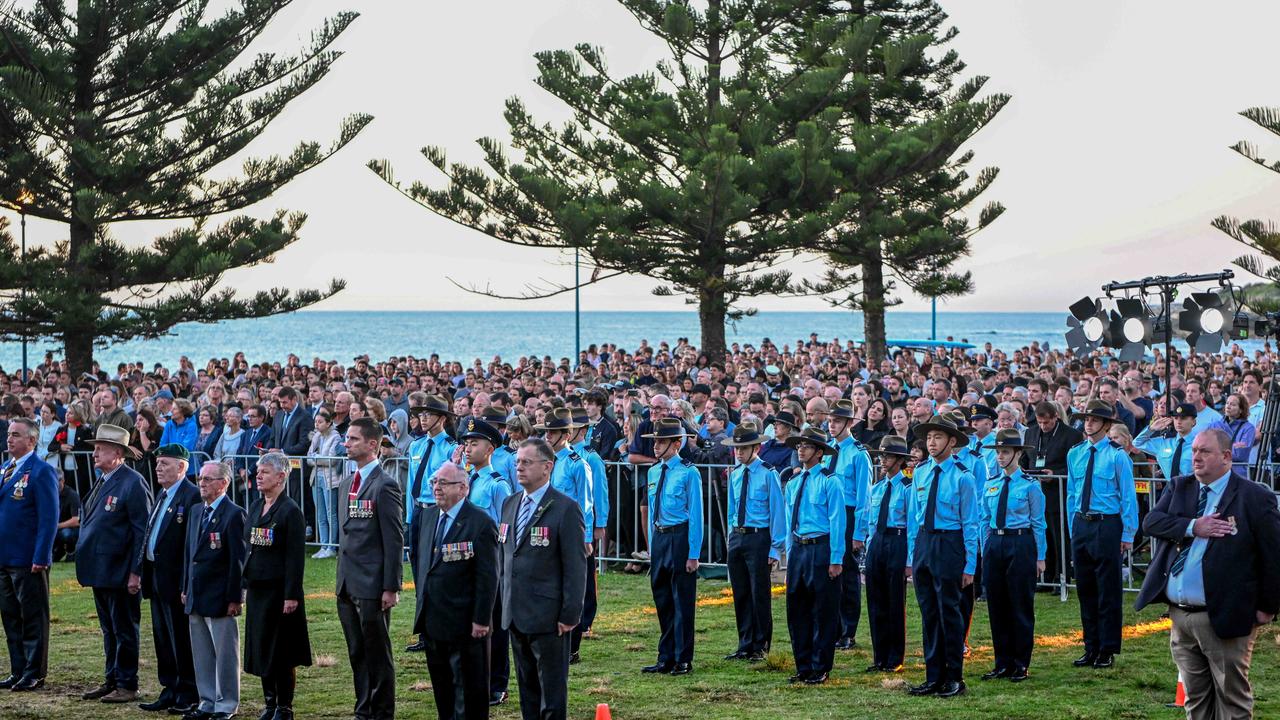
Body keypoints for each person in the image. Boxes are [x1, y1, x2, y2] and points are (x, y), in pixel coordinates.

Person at [1135, 429, 1280, 720]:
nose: (1196, 457)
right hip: (1180, 615)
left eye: (1205, 451)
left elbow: (1273, 555)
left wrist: (1268, 607)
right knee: (1195, 699)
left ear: (1226, 457)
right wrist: (1192, 526)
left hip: (1225, 614)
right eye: (1194, 451)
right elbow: (1152, 522)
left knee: (1232, 700)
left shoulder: (1253, 496)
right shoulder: (1180, 486)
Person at [498, 438, 587, 720]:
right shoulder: (510, 503)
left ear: (547, 467)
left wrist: (571, 613)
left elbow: (575, 566)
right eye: (517, 463)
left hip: (549, 615)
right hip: (515, 611)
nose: (519, 468)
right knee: (527, 690)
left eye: (526, 462)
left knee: (551, 691)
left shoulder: (565, 508)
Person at [413, 461, 498, 720]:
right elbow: (422, 565)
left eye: (443, 483)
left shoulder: (480, 522)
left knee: (469, 693)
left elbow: (488, 576)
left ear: (463, 488)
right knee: (443, 690)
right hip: (433, 620)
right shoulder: (427, 517)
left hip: (465, 623)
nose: (436, 488)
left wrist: (481, 619)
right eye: (434, 482)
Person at [76, 424, 152, 704]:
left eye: (100, 448)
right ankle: (112, 679)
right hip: (101, 570)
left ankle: (127, 683)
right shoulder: (104, 479)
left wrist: (136, 571)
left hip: (121, 571)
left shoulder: (132, 482)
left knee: (124, 628)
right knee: (109, 629)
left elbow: (141, 530)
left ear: (118, 453)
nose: (94, 453)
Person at [336, 418, 404, 720]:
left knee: (377, 654)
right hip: (347, 583)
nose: (346, 443)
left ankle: (381, 712)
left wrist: (391, 586)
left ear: (372, 444)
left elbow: (393, 540)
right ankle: (363, 709)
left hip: (372, 584)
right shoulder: (346, 483)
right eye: (346, 438)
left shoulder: (385, 485)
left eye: (352, 439)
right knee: (356, 652)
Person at [906, 413, 978, 698]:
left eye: (938, 437)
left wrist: (970, 563)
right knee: (929, 612)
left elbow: (971, 523)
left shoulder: (963, 477)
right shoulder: (921, 472)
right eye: (929, 437)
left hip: (950, 543)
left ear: (951, 442)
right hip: (925, 542)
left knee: (949, 611)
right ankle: (933, 675)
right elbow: (915, 517)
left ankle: (954, 676)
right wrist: (912, 557)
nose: (931, 443)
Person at [1065, 400, 1138, 669]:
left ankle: (1107, 648)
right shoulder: (1075, 454)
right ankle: (1090, 646)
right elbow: (1072, 493)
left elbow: (1127, 497)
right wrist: (1072, 526)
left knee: (1107, 589)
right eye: (1086, 420)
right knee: (1085, 588)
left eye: (1095, 420)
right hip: (1082, 523)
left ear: (1107, 425)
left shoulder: (1118, 456)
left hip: (1107, 524)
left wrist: (1128, 533)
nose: (1089, 424)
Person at [132, 444, 200, 714]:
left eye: (165, 464)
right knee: (163, 638)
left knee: (181, 639)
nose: (158, 468)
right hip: (156, 577)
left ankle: (187, 691)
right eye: (158, 463)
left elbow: (190, 545)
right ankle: (169, 688)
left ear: (182, 467)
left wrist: (186, 582)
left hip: (175, 580)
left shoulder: (191, 496)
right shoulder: (162, 494)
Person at [243, 452, 312, 720]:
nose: (258, 476)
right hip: (258, 590)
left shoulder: (290, 511)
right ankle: (269, 703)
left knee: (281, 651)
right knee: (262, 648)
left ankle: (284, 707)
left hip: (279, 592)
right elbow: (248, 546)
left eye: (265, 472)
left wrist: (291, 594)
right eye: (258, 471)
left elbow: (295, 558)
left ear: (281, 477)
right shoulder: (255, 506)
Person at [977, 429, 1046, 683]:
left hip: (1020, 542)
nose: (1000, 457)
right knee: (997, 605)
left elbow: (1038, 523)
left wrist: (1040, 556)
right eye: (997, 452)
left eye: (1005, 452)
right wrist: (985, 549)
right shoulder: (991, 484)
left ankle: (1020, 662)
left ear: (1017, 453)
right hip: (996, 542)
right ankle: (1001, 661)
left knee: (1019, 604)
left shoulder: (1030, 485)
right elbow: (984, 519)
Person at [182, 460, 247, 720]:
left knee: (225, 653)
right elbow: (189, 554)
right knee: (202, 652)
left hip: (220, 594)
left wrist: (235, 597)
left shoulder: (233, 514)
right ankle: (207, 701)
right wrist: (185, 586)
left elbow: (237, 560)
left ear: (224, 483)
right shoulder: (197, 511)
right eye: (201, 478)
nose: (202, 483)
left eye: (209, 479)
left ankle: (226, 703)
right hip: (196, 591)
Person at [456, 416, 513, 705]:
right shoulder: (465, 480)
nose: (467, 448)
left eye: (474, 443)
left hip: (491, 561)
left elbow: (505, 526)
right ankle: (476, 678)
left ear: (490, 448)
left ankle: (497, 683)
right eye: (466, 442)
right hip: (467, 561)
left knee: (495, 626)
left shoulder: (496, 484)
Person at [640, 417, 703, 676]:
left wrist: (694, 553)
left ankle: (683, 657)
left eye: (662, 441)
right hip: (662, 537)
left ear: (677, 443)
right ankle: (665, 655)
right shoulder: (654, 471)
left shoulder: (689, 472)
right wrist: (653, 547)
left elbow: (696, 514)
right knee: (663, 599)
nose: (656, 446)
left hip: (680, 535)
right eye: (655, 441)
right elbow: (653, 510)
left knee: (682, 600)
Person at [782, 426, 844, 685]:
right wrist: (788, 554)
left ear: (819, 452)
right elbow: (788, 522)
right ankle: (803, 665)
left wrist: (836, 558)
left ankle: (820, 666)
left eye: (806, 446)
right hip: (799, 548)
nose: (801, 449)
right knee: (797, 609)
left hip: (821, 547)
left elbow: (837, 521)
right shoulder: (794, 482)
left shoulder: (830, 481)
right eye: (799, 446)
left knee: (823, 610)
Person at [0, 418, 59, 692]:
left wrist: (42, 555)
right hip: (4, 557)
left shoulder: (41, 471)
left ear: (31, 440)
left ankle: (34, 672)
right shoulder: (4, 469)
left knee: (32, 617)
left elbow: (49, 518)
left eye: (16, 435)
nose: (9, 439)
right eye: (9, 434)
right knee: (10, 616)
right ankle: (18, 669)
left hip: (28, 559)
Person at [721, 422, 784, 663]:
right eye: (737, 448)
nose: (739, 452)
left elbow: (777, 511)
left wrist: (775, 547)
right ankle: (744, 642)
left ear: (756, 447)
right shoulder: (736, 474)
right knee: (741, 592)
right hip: (739, 535)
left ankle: (760, 644)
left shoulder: (768, 473)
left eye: (744, 447)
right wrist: (731, 536)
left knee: (759, 593)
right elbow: (731, 509)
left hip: (759, 536)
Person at [404, 395, 456, 653]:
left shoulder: (449, 447)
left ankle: (437, 631)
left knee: (433, 571)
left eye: (428, 413)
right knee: (418, 570)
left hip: (438, 510)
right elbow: (409, 485)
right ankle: (425, 632)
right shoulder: (415, 447)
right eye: (420, 414)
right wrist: (408, 517)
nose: (422, 418)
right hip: (419, 511)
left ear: (442, 418)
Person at [863, 435, 913, 673]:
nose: (883, 460)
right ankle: (879, 656)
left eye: (888, 456)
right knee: (876, 601)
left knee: (894, 601)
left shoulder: (906, 488)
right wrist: (869, 548)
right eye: (882, 455)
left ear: (900, 460)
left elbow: (912, 525)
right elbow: (872, 523)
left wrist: (910, 559)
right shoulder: (877, 487)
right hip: (878, 542)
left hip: (898, 540)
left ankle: (895, 657)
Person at [824, 399, 871, 650]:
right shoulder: (826, 449)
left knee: (848, 574)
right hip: (829, 513)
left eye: (838, 421)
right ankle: (833, 626)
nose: (832, 425)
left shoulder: (858, 453)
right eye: (830, 420)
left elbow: (864, 495)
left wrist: (859, 531)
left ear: (850, 423)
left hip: (850, 513)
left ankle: (848, 630)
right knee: (830, 570)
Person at [307, 410, 343, 559]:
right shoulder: (316, 437)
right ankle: (323, 545)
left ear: (329, 423)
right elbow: (308, 458)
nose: (317, 424)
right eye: (316, 422)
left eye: (320, 422)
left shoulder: (335, 437)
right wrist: (317, 458)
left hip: (331, 479)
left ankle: (332, 546)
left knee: (331, 513)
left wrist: (316, 459)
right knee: (320, 513)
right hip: (317, 478)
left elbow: (332, 460)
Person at [1133, 403, 1199, 482]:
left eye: (1183, 418)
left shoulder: (1199, 443)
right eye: (1176, 418)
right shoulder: (1164, 442)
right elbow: (1137, 443)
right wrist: (1151, 429)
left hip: (1192, 488)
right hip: (1170, 489)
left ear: (1193, 422)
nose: (1179, 422)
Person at [53, 469, 81, 562]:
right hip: (54, 528)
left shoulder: (72, 495)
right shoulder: (48, 494)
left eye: (57, 481)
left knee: (66, 534)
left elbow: (76, 520)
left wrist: (57, 526)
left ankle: (70, 550)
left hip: (69, 529)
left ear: (63, 480)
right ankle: (57, 551)